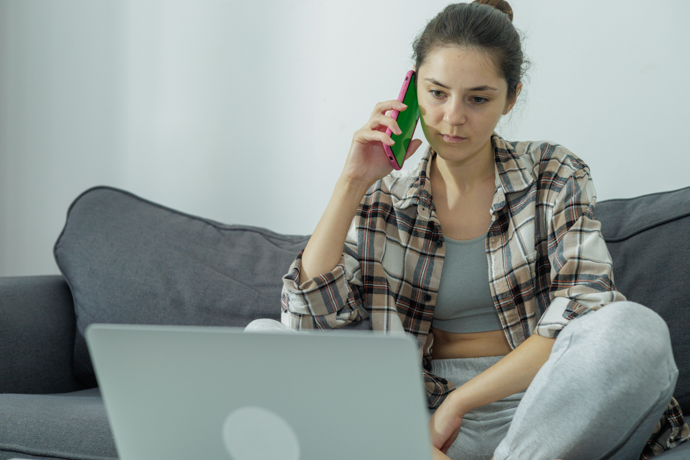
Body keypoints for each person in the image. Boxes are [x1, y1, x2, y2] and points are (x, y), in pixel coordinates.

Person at [270, 1, 689, 458]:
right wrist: (352, 181)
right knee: (263, 341)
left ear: (511, 98)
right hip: (428, 417)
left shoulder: (554, 171)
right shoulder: (384, 193)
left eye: (478, 98)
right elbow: (306, 320)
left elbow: (585, 308)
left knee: (636, 330)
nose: (453, 117)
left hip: (548, 406)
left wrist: (461, 402)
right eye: (437, 93)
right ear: (411, 91)